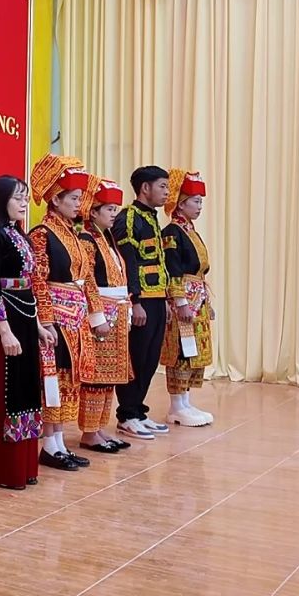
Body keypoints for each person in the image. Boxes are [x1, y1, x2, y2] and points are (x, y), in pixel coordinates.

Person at [0, 175, 44, 489]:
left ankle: (26, 465)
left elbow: (29, 285)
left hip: (25, 317)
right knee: (5, 390)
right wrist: (3, 331)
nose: (23, 203)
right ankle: (4, 470)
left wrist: (38, 326)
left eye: (25, 198)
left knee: (27, 389)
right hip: (5, 321)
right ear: (1, 199)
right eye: (17, 197)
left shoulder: (19, 235)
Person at [27, 155, 93, 471]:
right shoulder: (42, 233)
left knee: (69, 379)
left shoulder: (72, 233)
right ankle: (49, 445)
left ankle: (60, 442)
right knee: (53, 379)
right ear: (56, 199)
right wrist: (46, 319)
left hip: (75, 318)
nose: (79, 204)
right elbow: (37, 279)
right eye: (74, 198)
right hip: (55, 317)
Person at [112, 166, 188, 440]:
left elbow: (160, 262)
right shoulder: (128, 218)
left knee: (151, 359)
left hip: (156, 300)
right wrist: (135, 300)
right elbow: (127, 262)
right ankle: (127, 415)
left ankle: (138, 411)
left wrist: (165, 298)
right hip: (140, 300)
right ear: (145, 188)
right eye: (162, 186)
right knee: (136, 357)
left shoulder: (152, 218)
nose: (167, 192)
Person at [77, 175, 134, 453]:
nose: (114, 214)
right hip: (102, 312)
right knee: (97, 375)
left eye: (115, 209)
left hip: (117, 311)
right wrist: (96, 315)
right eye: (109, 209)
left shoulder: (107, 238)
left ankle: (100, 428)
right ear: (93, 211)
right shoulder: (87, 239)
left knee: (110, 376)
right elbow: (87, 279)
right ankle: (89, 432)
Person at [161, 169, 216, 427]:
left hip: (197, 296)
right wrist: (180, 301)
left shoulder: (190, 230)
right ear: (181, 203)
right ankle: (176, 406)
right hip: (183, 299)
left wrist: (207, 303)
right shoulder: (172, 232)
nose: (200, 206)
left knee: (194, 351)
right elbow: (172, 268)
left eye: (201, 202)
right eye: (195, 201)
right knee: (181, 351)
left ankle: (185, 402)